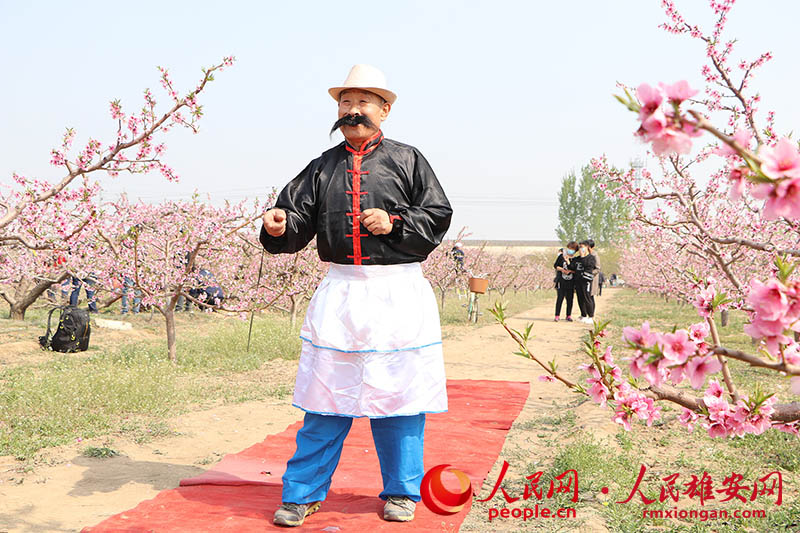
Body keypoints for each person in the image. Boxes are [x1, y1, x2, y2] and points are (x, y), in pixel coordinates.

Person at [259, 64, 452, 527]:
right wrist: (278, 225)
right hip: (341, 291)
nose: (354, 110)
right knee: (325, 400)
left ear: (385, 109)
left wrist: (397, 222)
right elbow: (294, 218)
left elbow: (438, 215)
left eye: (364, 102)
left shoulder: (409, 160)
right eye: (346, 102)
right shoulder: (322, 167)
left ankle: (402, 492)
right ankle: (302, 494)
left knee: (399, 399)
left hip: (398, 292)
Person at [573, 240, 598, 324]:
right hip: (578, 280)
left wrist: (583, 257)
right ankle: (583, 315)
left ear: (587, 247)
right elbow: (572, 266)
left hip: (586, 280)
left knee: (587, 298)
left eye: (582, 247)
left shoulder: (591, 257)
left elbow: (589, 267)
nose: (581, 249)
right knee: (580, 298)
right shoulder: (577, 258)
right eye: (580, 247)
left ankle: (590, 316)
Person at [553, 242, 578, 321]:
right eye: (569, 248)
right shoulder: (561, 257)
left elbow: (575, 270)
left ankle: (568, 315)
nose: (570, 250)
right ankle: (557, 315)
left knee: (570, 299)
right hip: (561, 280)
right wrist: (562, 270)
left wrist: (569, 268)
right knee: (560, 298)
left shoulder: (575, 259)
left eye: (572, 249)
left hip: (571, 282)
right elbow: (555, 266)